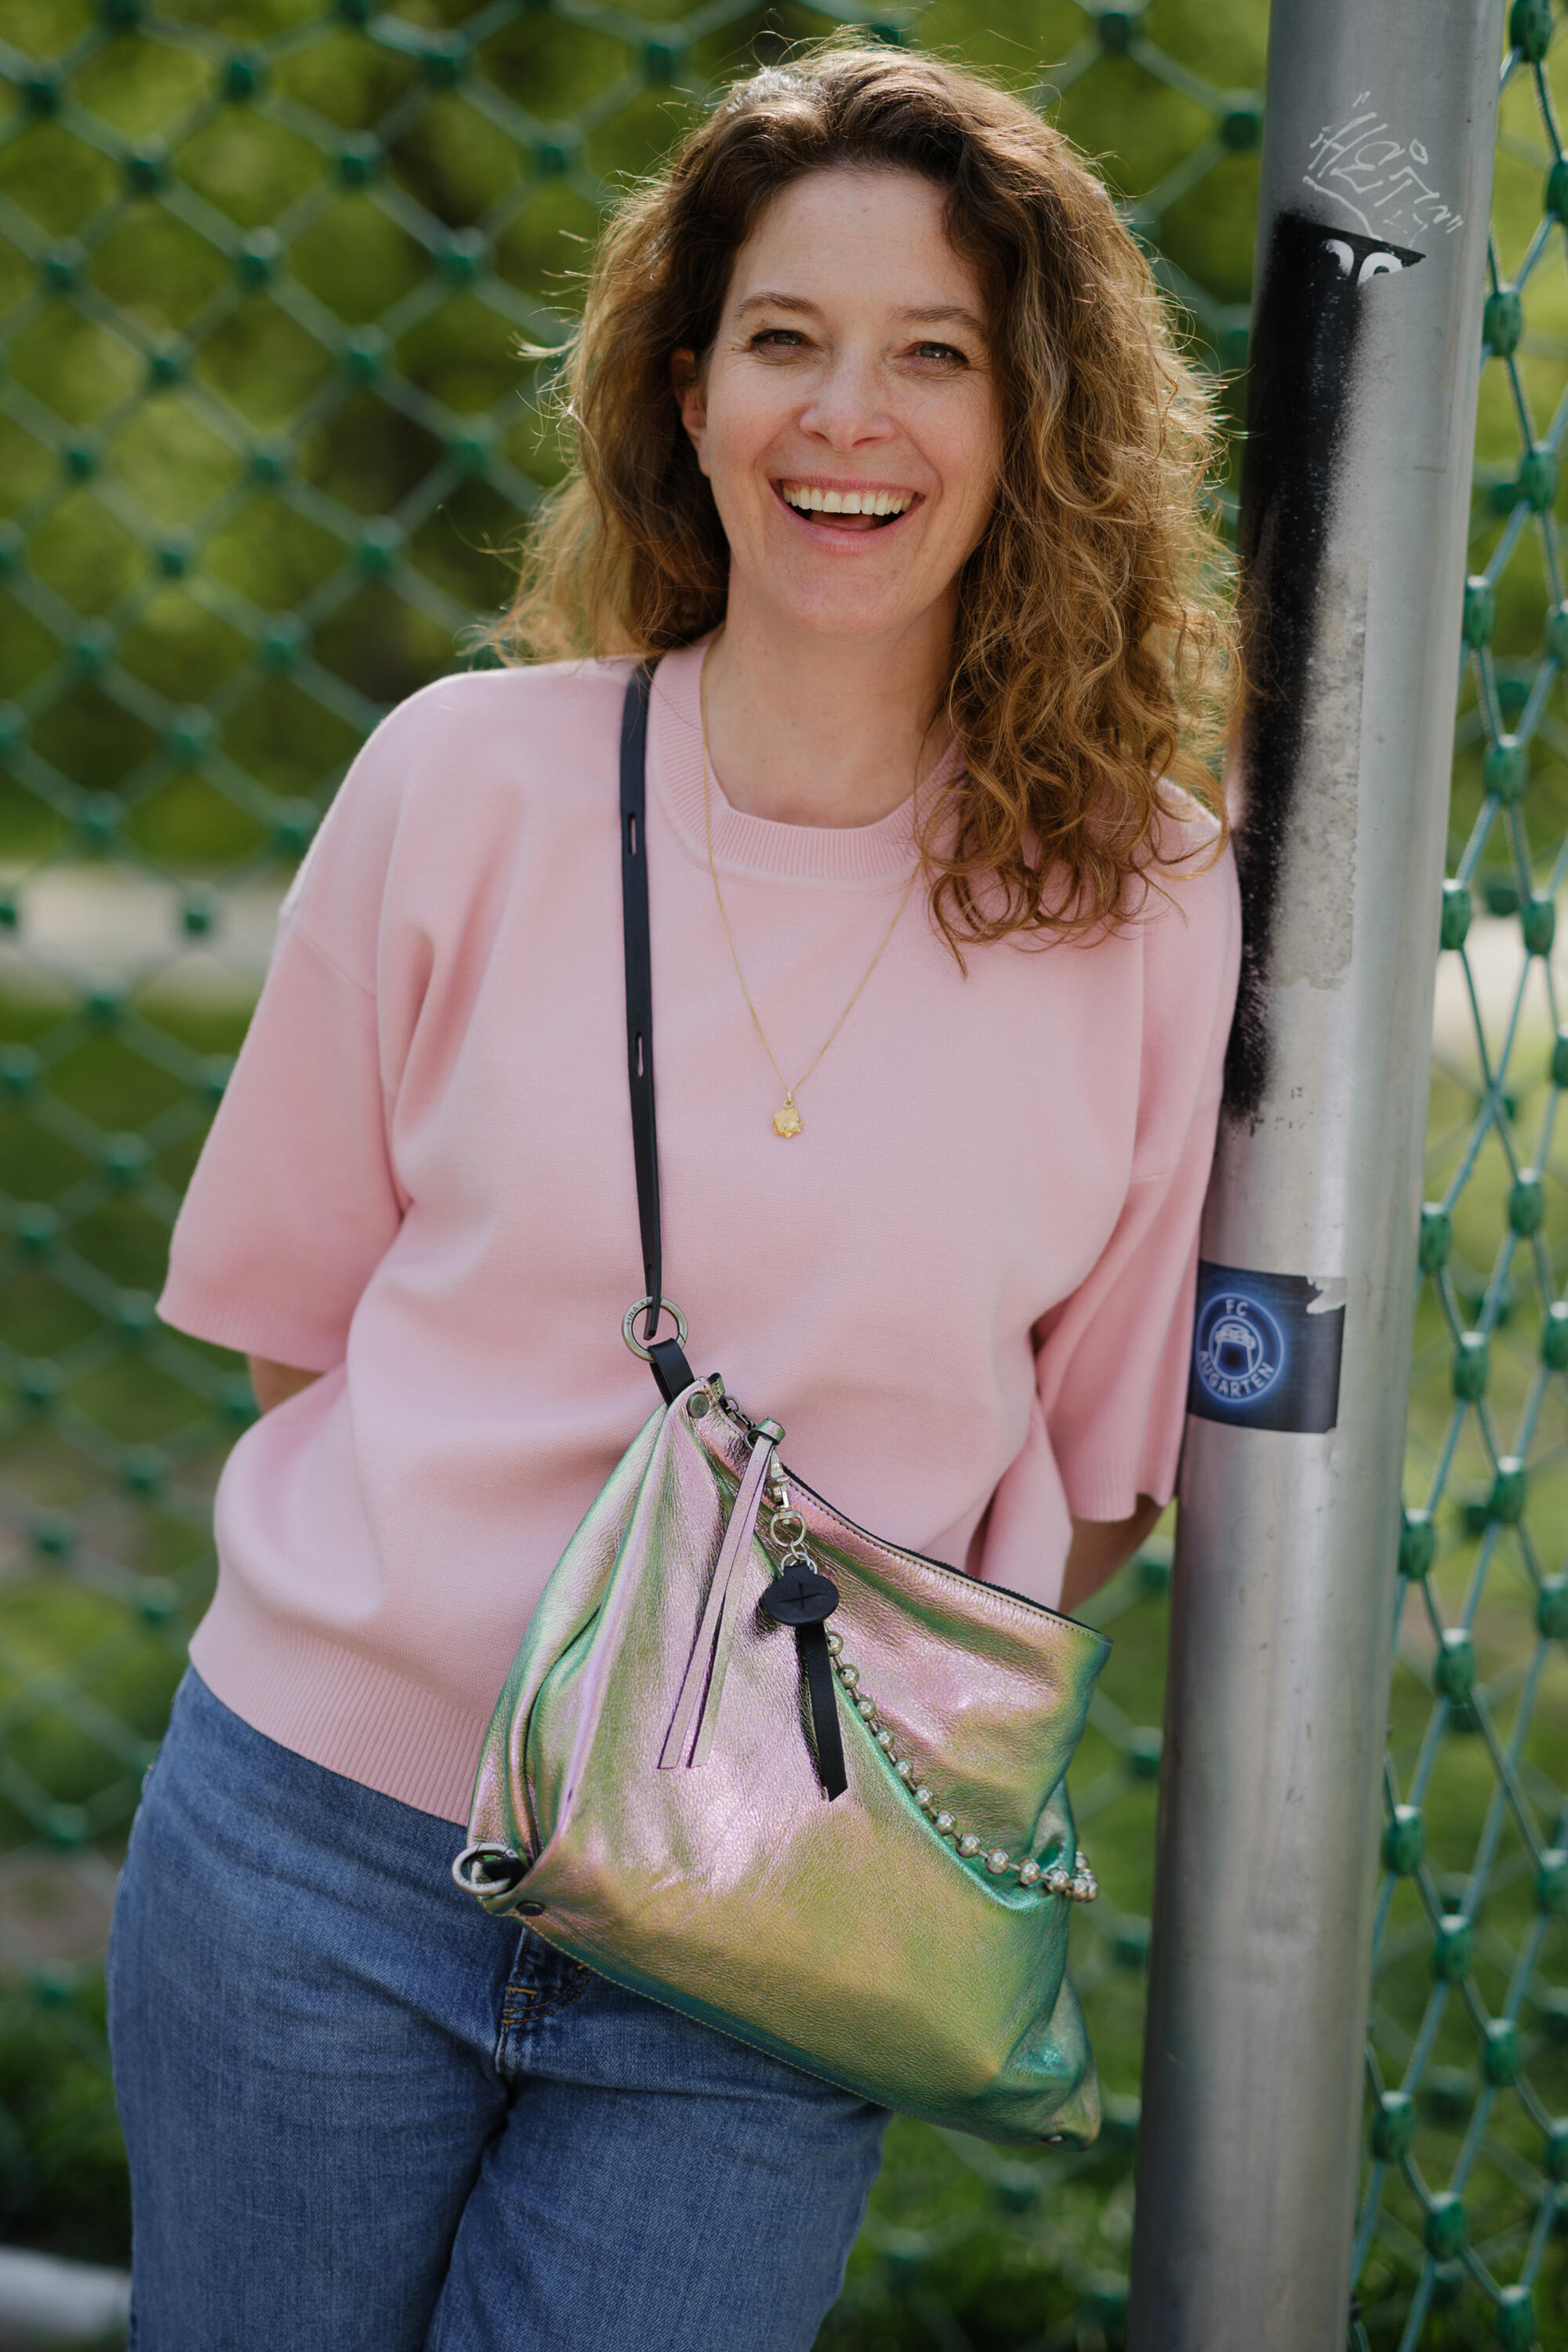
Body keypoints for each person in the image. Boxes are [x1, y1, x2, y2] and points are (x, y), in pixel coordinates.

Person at [107, 39, 1241, 2352]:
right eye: (785, 341)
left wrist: (727, 1727)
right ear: (686, 390)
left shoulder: (1140, 898)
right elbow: (299, 1322)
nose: (852, 418)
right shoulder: (465, 784)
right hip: (322, 1847)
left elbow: (1105, 1458)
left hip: (779, 1913)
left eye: (935, 354)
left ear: (1033, 423)